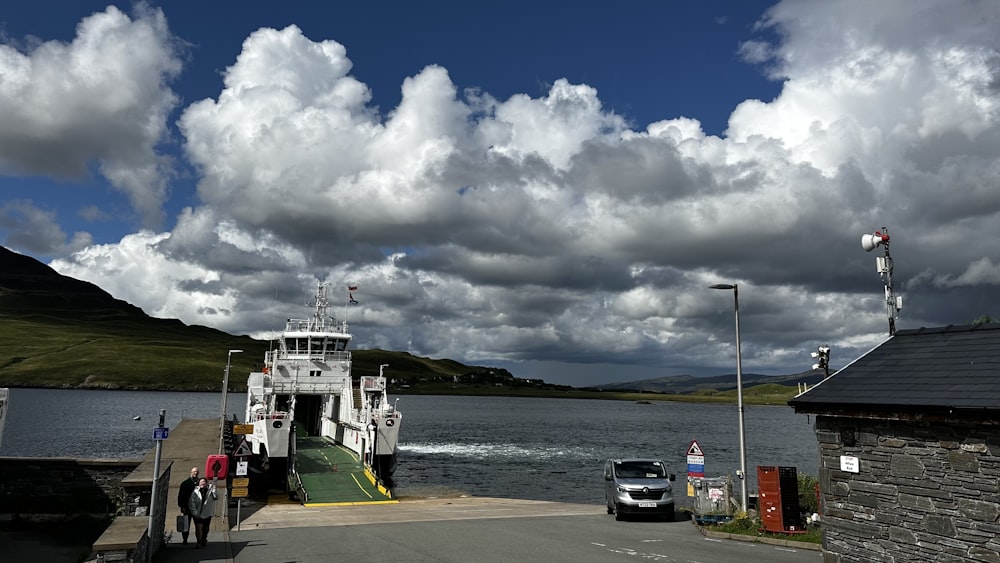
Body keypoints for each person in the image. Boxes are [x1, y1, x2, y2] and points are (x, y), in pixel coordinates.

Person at [187, 477, 217, 548]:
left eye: (204, 482)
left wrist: (214, 489)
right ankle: (199, 541)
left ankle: (204, 539)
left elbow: (216, 497)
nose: (202, 483)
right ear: (199, 483)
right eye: (201, 482)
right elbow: (192, 503)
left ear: (206, 483)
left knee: (205, 528)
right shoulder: (195, 491)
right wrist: (195, 513)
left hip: (207, 513)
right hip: (197, 513)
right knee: (198, 527)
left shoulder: (211, 490)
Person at [176, 467, 199, 544]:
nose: (196, 473)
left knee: (198, 525)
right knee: (186, 524)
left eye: (197, 472)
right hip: (187, 508)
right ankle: (185, 539)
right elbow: (181, 496)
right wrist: (182, 507)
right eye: (194, 472)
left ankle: (199, 539)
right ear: (191, 472)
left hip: (197, 508)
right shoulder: (185, 483)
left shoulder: (200, 483)